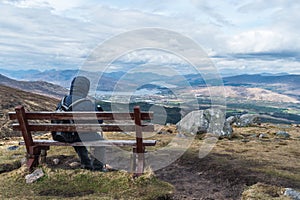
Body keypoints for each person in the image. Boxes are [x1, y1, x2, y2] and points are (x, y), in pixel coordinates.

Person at [53, 76, 105, 171]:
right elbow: (99, 122)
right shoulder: (86, 103)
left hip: (61, 135)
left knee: (79, 138)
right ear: (85, 88)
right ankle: (98, 168)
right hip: (75, 135)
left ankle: (86, 164)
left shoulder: (63, 101)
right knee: (101, 143)